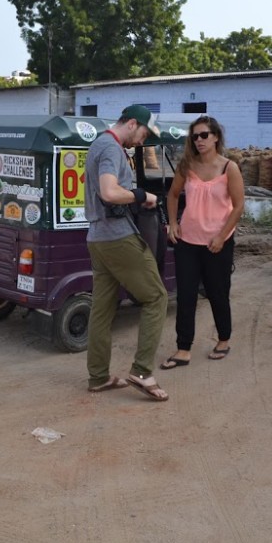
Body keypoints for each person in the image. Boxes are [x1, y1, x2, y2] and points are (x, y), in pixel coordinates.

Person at [84, 104, 169, 401]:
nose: (143, 140)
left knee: (102, 309)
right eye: (144, 133)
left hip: (97, 237)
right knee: (156, 297)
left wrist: (134, 198)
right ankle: (142, 371)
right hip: (117, 237)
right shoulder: (111, 147)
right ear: (132, 123)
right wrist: (142, 195)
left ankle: (98, 376)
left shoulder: (99, 145)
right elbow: (109, 192)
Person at [161, 115, 244, 368]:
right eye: (195, 136)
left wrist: (221, 236)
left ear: (216, 137)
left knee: (217, 293)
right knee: (186, 295)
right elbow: (172, 195)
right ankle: (183, 348)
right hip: (187, 241)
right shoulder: (186, 165)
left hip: (218, 242)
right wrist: (172, 222)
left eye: (204, 135)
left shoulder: (229, 168)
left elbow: (238, 206)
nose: (199, 140)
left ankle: (223, 340)